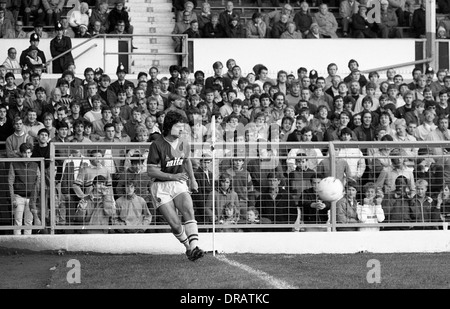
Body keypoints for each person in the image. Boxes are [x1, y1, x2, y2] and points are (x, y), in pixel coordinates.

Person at [147, 111, 204, 261]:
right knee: (176, 225)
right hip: (160, 186)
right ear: (169, 126)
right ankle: (188, 248)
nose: (182, 129)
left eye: (183, 126)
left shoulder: (183, 143)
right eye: (179, 126)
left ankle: (195, 248)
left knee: (188, 209)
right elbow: (151, 170)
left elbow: (186, 161)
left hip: (178, 183)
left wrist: (192, 179)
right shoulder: (157, 145)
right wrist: (173, 176)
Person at [8, 142, 41, 235]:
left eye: (29, 153)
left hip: (31, 198)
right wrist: (12, 198)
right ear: (21, 153)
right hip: (18, 196)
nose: (27, 155)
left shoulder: (35, 165)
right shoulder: (14, 164)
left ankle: (28, 244)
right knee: (18, 222)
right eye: (25, 153)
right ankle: (17, 244)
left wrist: (34, 199)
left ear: (31, 153)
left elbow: (38, 182)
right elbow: (10, 182)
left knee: (28, 222)